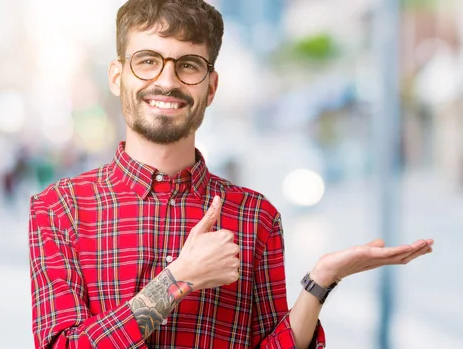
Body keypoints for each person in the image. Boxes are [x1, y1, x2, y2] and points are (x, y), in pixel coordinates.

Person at [28, 0, 434, 348]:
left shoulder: (256, 216)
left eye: (188, 65)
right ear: (118, 77)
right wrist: (178, 280)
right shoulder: (58, 209)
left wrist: (320, 281)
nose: (167, 81)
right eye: (147, 61)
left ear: (211, 86)